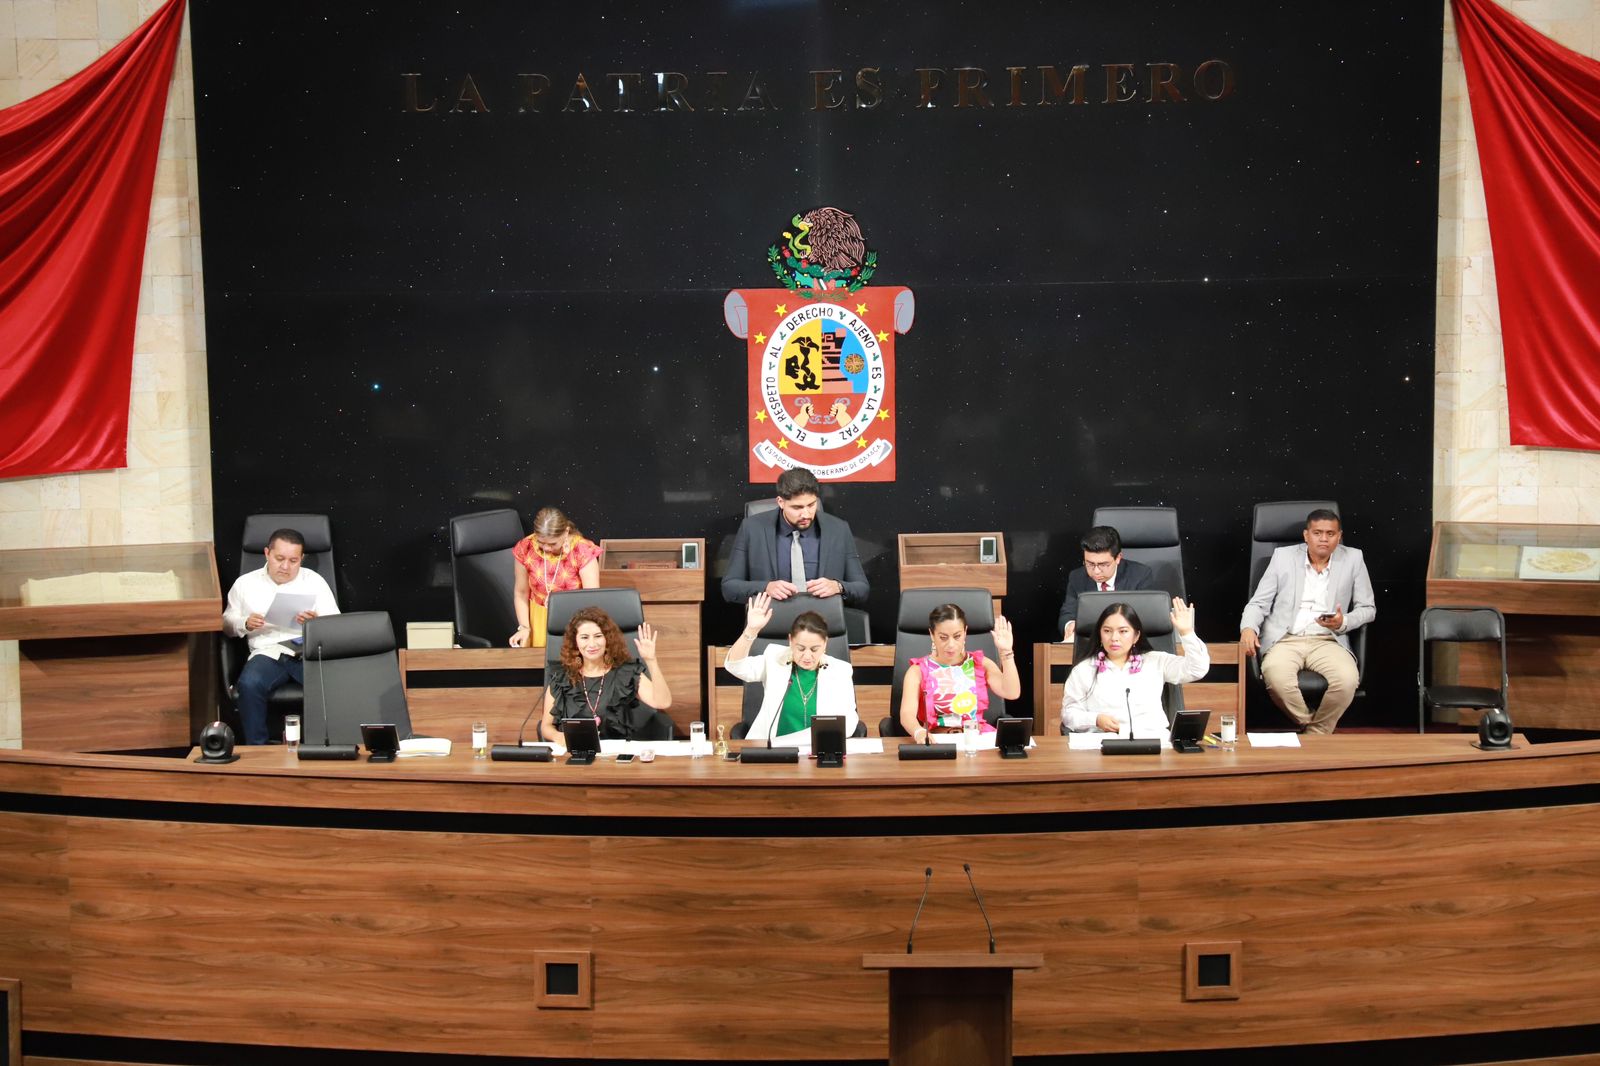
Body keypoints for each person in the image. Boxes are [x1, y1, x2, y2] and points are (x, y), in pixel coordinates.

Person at [1239, 508, 1375, 734]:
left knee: (1347, 680)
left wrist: (1344, 621)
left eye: (1330, 534)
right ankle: (1314, 729)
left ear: (1339, 536)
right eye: (1317, 533)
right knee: (1277, 680)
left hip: (1328, 640)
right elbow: (1258, 603)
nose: (1324, 539)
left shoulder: (1353, 558)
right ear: (1306, 535)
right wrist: (1248, 628)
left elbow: (1368, 609)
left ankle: (1313, 735)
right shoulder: (1283, 557)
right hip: (1285, 639)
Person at [221, 527, 340, 745]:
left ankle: (326, 746)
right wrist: (244, 623)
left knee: (336, 684)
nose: (285, 567)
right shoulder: (245, 583)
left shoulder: (314, 581)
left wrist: (315, 623)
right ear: (267, 553)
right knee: (249, 684)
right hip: (267, 652)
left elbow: (335, 624)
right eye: (280, 559)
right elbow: (226, 624)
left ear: (302, 558)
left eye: (293, 561)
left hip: (305, 651)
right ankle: (258, 749)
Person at [721, 466, 869, 606]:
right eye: (797, 507)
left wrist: (838, 586)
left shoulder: (838, 529)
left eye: (811, 505)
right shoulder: (752, 529)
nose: (806, 514)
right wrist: (765, 588)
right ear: (781, 502)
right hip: (772, 618)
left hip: (823, 620)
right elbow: (729, 587)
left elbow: (862, 588)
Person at [723, 592, 858, 745]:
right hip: (773, 752)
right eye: (801, 648)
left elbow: (849, 722)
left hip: (817, 750)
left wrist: (791, 742)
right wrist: (751, 630)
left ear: (825, 643)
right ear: (790, 641)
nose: (807, 656)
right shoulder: (774, 659)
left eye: (814, 649)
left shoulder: (840, 670)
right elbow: (735, 666)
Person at [1061, 599, 1207, 737]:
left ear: (1136, 636)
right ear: (1100, 634)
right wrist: (1096, 719)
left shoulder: (1156, 661)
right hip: (1102, 743)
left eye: (1123, 631)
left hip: (1152, 741)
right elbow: (1068, 714)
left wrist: (1187, 633)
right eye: (1107, 631)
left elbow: (1197, 669)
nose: (1114, 638)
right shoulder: (1084, 669)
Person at [536, 607, 671, 744]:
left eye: (598, 636)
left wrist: (651, 660)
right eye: (584, 637)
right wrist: (558, 737)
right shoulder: (561, 677)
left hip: (616, 752)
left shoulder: (626, 673)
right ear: (575, 642)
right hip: (575, 751)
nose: (592, 644)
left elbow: (663, 702)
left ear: (607, 639)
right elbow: (546, 727)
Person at [898, 603, 1020, 743]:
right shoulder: (918, 671)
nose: (951, 645)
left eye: (957, 636)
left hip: (976, 739)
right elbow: (907, 714)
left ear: (965, 632)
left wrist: (1006, 652)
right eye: (943, 637)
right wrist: (918, 732)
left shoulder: (980, 664)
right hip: (938, 740)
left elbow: (1012, 693)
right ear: (932, 634)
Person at [510, 507, 601, 648]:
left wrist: (561, 604)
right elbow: (521, 593)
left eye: (553, 544)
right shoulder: (526, 548)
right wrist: (524, 627)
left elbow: (592, 598)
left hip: (574, 619)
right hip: (538, 619)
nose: (546, 548)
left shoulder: (581, 550)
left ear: (566, 532)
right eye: (541, 542)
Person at [1057, 525, 1156, 640]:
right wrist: (1069, 625)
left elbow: (1146, 618)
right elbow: (1067, 613)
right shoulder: (1077, 577)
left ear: (1118, 558)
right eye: (1090, 564)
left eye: (1103, 565)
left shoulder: (1140, 575)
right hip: (1091, 643)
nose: (1096, 571)